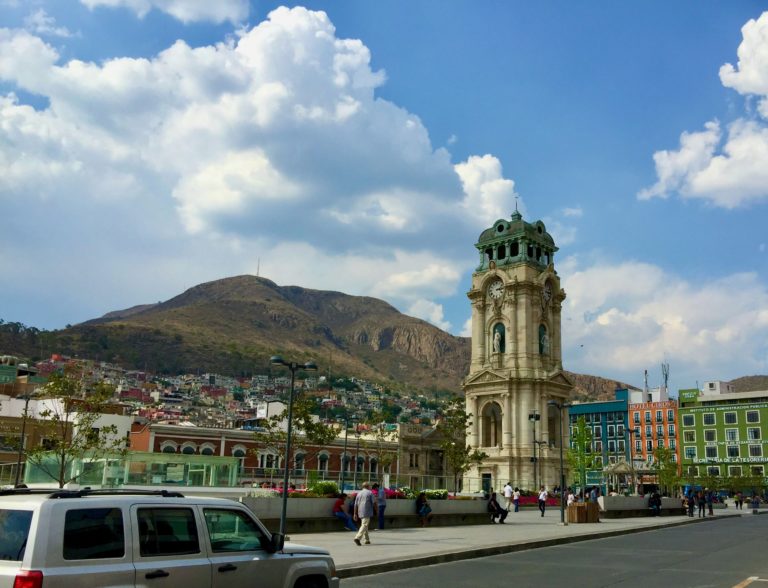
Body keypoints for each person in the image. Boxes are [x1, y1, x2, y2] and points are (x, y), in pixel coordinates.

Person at [353, 482, 376, 546]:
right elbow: (374, 503)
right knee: (365, 525)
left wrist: (355, 513)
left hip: (360, 511)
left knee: (365, 525)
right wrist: (377, 510)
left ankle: (367, 540)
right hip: (367, 511)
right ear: (368, 486)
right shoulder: (370, 493)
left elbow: (355, 504)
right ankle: (357, 538)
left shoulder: (359, 493)